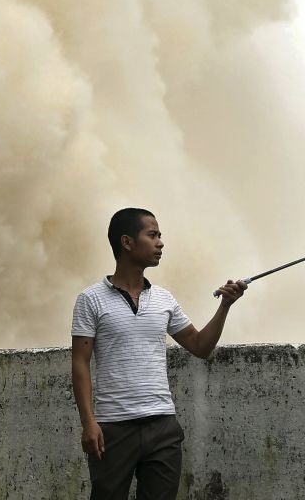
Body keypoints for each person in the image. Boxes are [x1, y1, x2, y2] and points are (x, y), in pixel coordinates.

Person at [71, 208, 246, 500]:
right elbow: (80, 363)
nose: (160, 243)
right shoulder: (91, 299)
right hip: (113, 428)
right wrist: (89, 423)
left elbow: (200, 346)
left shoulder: (164, 298)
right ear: (127, 242)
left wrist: (225, 305)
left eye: (160, 236)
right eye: (152, 235)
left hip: (163, 425)